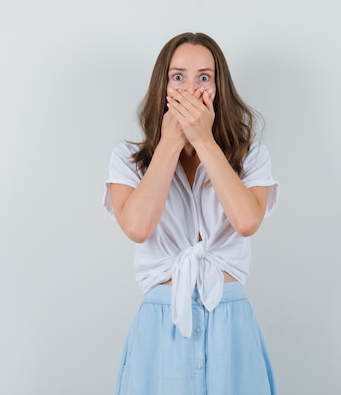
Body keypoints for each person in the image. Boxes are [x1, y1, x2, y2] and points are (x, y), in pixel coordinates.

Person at [104, 32, 279, 395]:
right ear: (163, 85)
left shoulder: (252, 158)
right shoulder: (127, 159)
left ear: (218, 88)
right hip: (160, 322)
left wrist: (203, 139)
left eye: (204, 77)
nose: (190, 89)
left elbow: (247, 221)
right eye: (178, 76)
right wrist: (170, 143)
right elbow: (137, 226)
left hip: (230, 321)